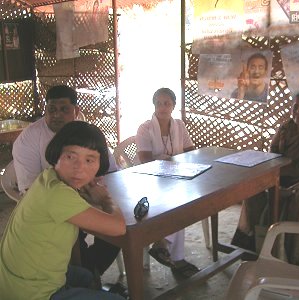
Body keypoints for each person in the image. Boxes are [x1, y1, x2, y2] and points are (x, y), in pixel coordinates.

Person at [0, 121, 126, 300]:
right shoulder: (58, 194)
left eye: (89, 160)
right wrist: (105, 199)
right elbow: (118, 227)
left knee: (86, 276)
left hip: (12, 279)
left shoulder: (48, 178)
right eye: (70, 157)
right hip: (29, 292)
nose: (79, 168)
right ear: (56, 155)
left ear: (99, 164)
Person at [12, 85, 121, 286]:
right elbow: (27, 191)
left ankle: (88, 277)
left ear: (76, 112)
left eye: (64, 109)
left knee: (105, 239)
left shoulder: (83, 132)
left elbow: (109, 172)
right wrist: (103, 200)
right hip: (54, 212)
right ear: (54, 156)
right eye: (51, 109)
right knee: (98, 232)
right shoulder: (28, 140)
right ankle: (85, 280)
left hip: (79, 199)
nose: (56, 115)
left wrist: (93, 195)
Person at [232, 90, 299, 266]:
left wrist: (290, 190)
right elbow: (272, 158)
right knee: (253, 193)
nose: (298, 112)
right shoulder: (286, 128)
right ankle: (254, 247)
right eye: (295, 107)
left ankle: (296, 258)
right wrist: (272, 183)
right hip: (284, 176)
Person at [134, 87, 200, 278]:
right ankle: (174, 256)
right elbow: (145, 160)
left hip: (176, 177)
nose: (163, 107)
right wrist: (171, 164)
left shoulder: (179, 125)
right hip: (149, 179)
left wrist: (177, 166)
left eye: (167, 103)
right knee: (177, 201)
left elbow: (190, 151)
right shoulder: (145, 128)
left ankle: (162, 242)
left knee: (186, 199)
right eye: (159, 103)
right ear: (153, 105)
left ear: (173, 106)